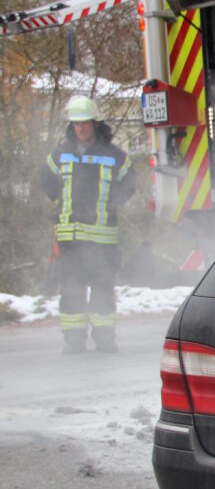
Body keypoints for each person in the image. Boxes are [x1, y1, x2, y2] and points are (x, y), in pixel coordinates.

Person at [40, 96, 136, 353]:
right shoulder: (60, 154)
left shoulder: (116, 157)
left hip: (102, 240)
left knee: (103, 290)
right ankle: (73, 341)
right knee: (71, 291)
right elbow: (46, 181)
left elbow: (129, 185)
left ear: (95, 123)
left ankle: (105, 340)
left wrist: (112, 202)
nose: (81, 129)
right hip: (70, 238)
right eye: (76, 124)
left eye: (85, 123)